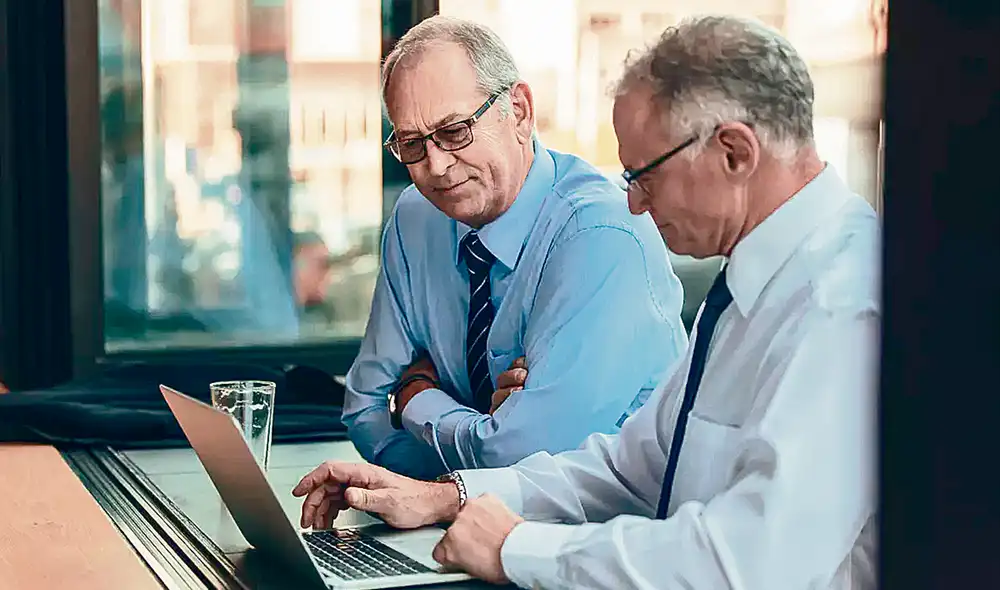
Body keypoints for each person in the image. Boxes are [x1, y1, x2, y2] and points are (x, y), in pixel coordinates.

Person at [294, 15, 879, 589]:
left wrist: (516, 548)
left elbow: (748, 563)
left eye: (643, 175)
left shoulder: (844, 303)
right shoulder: (753, 285)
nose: (634, 204)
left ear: (734, 154)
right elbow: (633, 467)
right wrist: (450, 497)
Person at [342, 15, 687, 481]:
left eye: (454, 131)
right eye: (412, 144)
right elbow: (365, 411)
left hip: (599, 535)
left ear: (519, 111)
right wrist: (479, 440)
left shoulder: (601, 233)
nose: (437, 166)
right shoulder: (415, 218)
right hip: (453, 525)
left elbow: (530, 463)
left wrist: (417, 398)